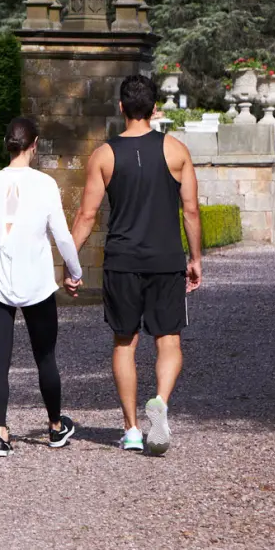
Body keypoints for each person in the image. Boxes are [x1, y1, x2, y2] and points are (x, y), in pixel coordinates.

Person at [72, 74, 204, 456]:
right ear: (154, 108)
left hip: (122, 260)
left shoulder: (104, 155)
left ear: (121, 108)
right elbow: (191, 211)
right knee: (169, 339)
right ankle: (160, 401)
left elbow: (86, 215)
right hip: (165, 258)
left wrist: (70, 261)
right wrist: (195, 259)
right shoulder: (177, 151)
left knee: (124, 342)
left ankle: (131, 429)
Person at [0, 116, 85, 457]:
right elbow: (61, 236)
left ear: (7, 144)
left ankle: (1, 435)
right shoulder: (45, 184)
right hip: (37, 284)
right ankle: (55, 427)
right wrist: (75, 272)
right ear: (34, 146)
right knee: (45, 357)